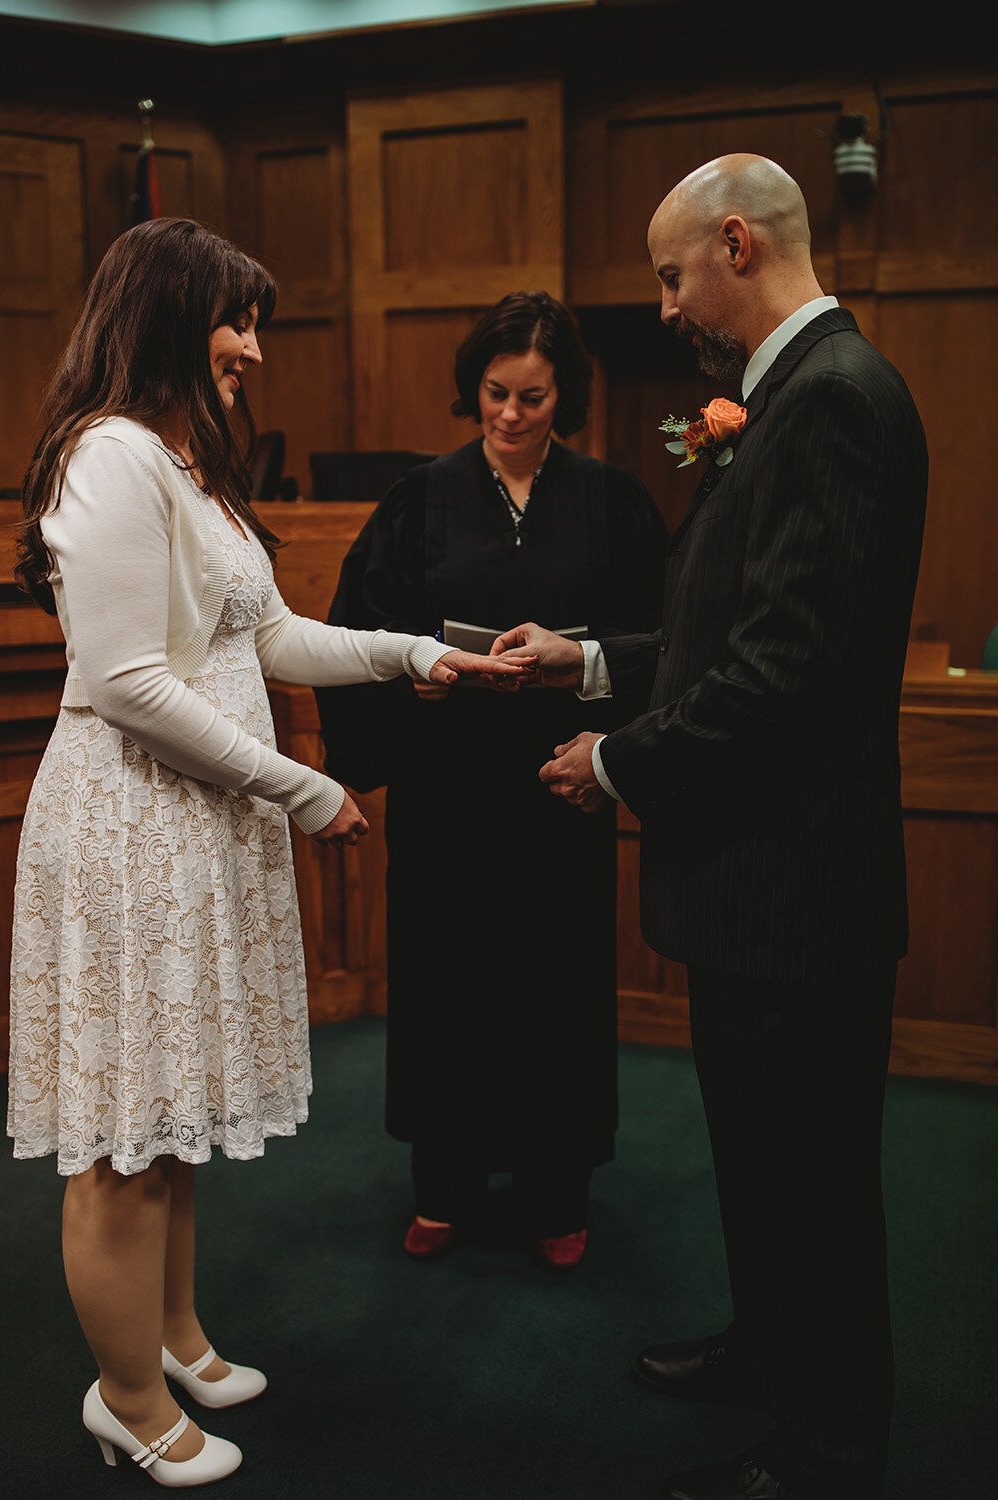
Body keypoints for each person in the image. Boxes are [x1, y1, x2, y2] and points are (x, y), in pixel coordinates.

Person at [6, 217, 519, 1488]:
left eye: (256, 326)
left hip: (196, 825)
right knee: (124, 1136)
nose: (250, 349)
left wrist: (408, 654)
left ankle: (172, 1334)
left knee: (169, 1112)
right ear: (170, 315)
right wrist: (304, 787)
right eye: (235, 321)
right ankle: (124, 1397)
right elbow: (125, 684)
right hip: (134, 827)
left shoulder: (189, 462)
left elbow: (269, 637)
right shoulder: (110, 458)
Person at [493, 157, 927, 1499]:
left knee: (814, 1176)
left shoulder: (837, 401)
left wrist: (616, 765)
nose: (669, 303)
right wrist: (587, 661)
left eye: (674, 274)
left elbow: (786, 671)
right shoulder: (790, 397)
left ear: (735, 244)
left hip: (798, 887)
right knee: (759, 1152)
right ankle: (768, 1346)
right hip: (758, 883)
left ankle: (836, 1435)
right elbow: (717, 627)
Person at [316, 290, 667, 1269]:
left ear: (567, 396)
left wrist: (588, 680)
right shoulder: (416, 502)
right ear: (472, 387)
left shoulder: (614, 502)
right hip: (448, 796)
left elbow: (664, 639)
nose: (511, 416)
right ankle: (446, 1185)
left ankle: (558, 1192)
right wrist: (416, 679)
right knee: (449, 990)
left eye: (534, 398)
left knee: (552, 995)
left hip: (560, 797)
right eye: (495, 394)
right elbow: (355, 638)